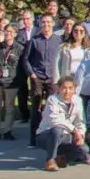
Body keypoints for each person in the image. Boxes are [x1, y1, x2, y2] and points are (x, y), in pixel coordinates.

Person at [35, 76, 90, 170]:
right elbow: (55, 121)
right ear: (59, 88)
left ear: (74, 89)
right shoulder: (52, 99)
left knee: (84, 149)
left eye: (70, 88)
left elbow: (80, 121)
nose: (67, 91)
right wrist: (74, 130)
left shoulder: (78, 100)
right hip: (46, 134)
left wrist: (81, 135)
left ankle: (61, 157)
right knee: (57, 130)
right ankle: (50, 160)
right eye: (64, 88)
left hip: (66, 135)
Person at [24, 14, 63, 145]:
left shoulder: (59, 40)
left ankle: (52, 136)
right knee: (36, 108)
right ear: (40, 24)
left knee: (53, 108)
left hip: (53, 78)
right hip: (38, 78)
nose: (46, 25)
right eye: (43, 23)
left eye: (48, 22)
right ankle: (33, 138)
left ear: (53, 24)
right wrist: (32, 74)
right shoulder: (34, 40)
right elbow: (26, 60)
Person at [0, 23, 24, 141]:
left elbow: (21, 66)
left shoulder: (19, 48)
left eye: (10, 31)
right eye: (6, 31)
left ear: (15, 34)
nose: (7, 33)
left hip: (11, 82)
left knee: (9, 107)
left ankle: (7, 130)